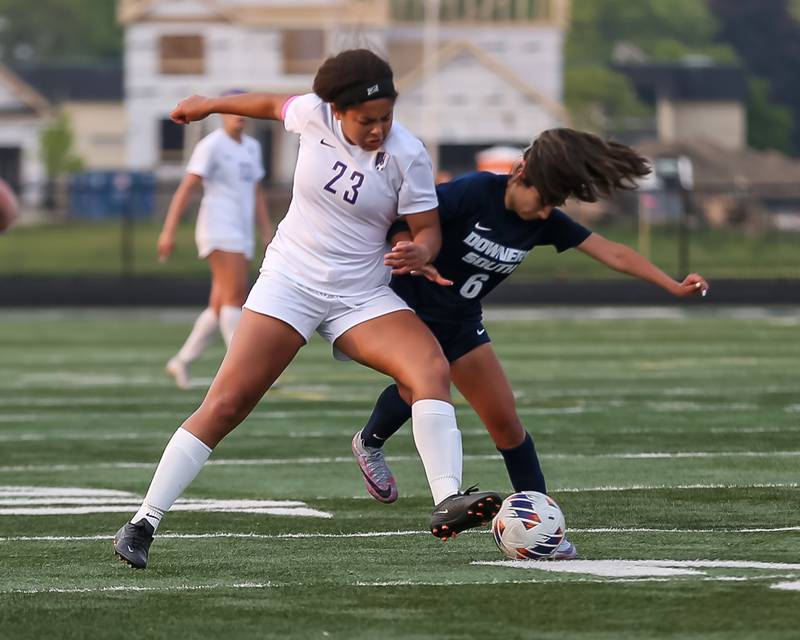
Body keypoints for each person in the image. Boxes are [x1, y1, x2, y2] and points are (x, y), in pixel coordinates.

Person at [113, 49, 500, 569]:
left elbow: (427, 230)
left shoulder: (408, 153)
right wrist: (207, 104)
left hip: (361, 294)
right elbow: (271, 102)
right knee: (227, 404)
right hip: (290, 282)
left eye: (386, 117)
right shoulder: (311, 114)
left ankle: (446, 500)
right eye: (367, 120)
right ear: (336, 111)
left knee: (430, 367)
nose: (379, 129)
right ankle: (143, 522)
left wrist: (421, 250)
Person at [350, 128, 710, 560]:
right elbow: (403, 218)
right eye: (542, 199)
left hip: (461, 322)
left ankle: (542, 527)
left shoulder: (544, 221)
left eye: (554, 205)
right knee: (426, 382)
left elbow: (611, 252)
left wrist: (671, 284)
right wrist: (406, 247)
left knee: (507, 425)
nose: (545, 212)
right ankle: (370, 441)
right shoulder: (476, 190)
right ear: (520, 173)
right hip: (408, 309)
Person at [158, 91, 274, 389]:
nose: (240, 115)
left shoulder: (252, 147)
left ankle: (181, 361)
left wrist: (266, 232)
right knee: (236, 299)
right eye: (233, 109)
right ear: (222, 113)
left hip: (241, 231)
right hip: (218, 229)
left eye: (243, 109)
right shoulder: (211, 146)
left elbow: (256, 193)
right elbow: (186, 189)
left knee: (219, 305)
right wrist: (168, 230)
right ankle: (244, 371)